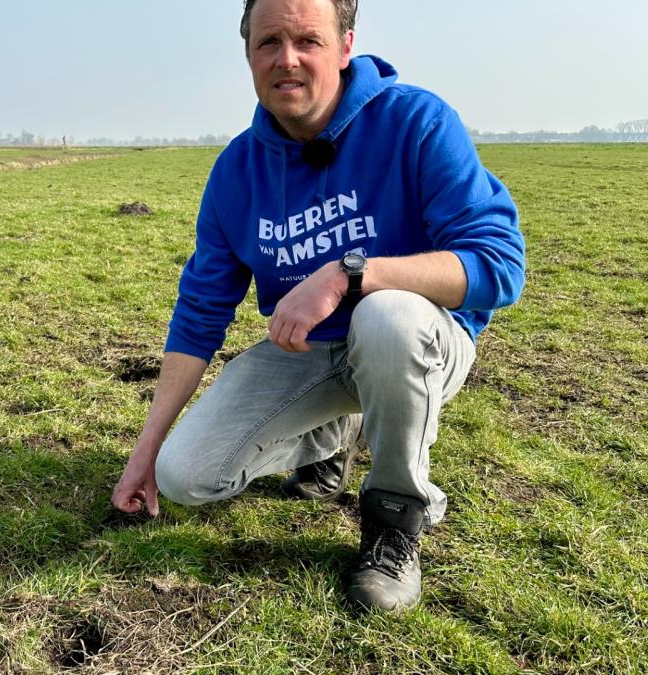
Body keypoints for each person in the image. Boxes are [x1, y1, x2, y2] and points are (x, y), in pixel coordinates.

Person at [110, 0, 525, 612]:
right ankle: (332, 432)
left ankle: (393, 521)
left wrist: (349, 275)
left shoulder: (417, 123)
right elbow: (200, 313)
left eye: (308, 40)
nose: (288, 59)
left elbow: (499, 266)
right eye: (268, 42)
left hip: (420, 342)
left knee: (385, 318)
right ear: (247, 51)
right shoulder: (236, 172)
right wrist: (143, 453)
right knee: (187, 477)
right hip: (310, 353)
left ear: (346, 45)